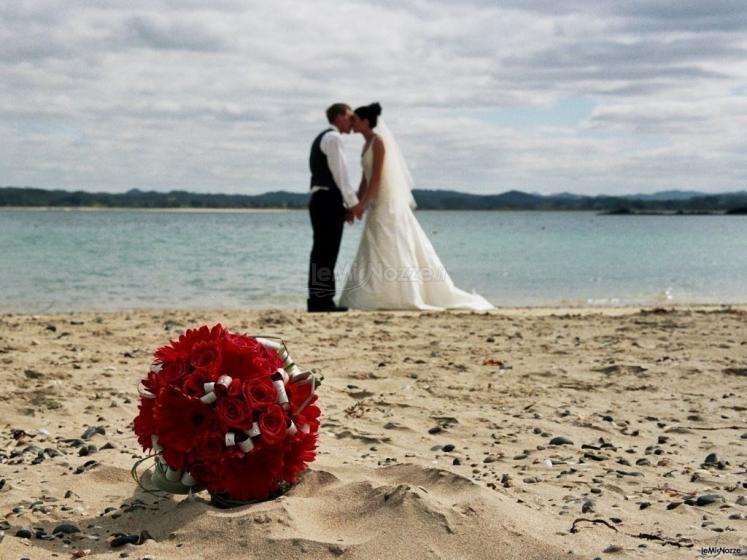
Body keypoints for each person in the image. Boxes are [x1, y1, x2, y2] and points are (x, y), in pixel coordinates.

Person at [339, 103, 494, 311]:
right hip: (374, 204)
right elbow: (365, 181)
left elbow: (376, 179)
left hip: (387, 204)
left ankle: (403, 294)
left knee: (392, 245)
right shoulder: (365, 145)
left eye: (355, 120)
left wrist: (363, 205)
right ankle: (375, 294)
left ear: (366, 121)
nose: (352, 123)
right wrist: (356, 204)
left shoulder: (378, 143)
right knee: (375, 247)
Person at [307, 103, 364, 312]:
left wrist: (344, 207)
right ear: (339, 117)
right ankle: (321, 301)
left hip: (325, 200)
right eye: (349, 117)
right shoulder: (333, 138)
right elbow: (340, 174)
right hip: (327, 200)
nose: (352, 121)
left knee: (323, 250)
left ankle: (319, 299)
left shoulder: (326, 137)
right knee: (326, 251)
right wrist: (354, 204)